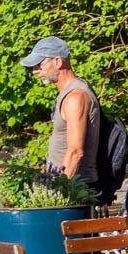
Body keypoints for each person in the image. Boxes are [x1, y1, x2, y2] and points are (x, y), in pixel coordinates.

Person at [21, 35, 98, 190]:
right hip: (66, 182)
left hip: (77, 187)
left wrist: (60, 191)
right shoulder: (67, 94)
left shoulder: (76, 97)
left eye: (39, 65)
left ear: (58, 61)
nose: (35, 71)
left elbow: (76, 151)